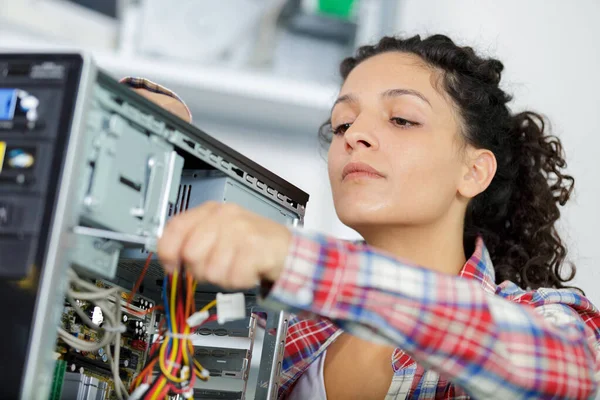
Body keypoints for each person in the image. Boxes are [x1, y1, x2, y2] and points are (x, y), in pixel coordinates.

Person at [125, 34, 600, 399]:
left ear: (474, 171)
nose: (356, 136)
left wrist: (293, 258)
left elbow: (571, 374)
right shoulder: (278, 320)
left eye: (402, 119)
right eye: (342, 124)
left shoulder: (545, 320)